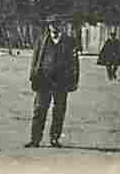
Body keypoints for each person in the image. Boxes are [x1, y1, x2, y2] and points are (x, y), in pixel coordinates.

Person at [25, 14, 80, 148]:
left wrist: (74, 80)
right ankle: (35, 139)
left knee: (59, 111)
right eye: (52, 24)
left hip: (61, 81)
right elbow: (35, 59)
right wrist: (33, 76)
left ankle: (54, 138)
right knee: (39, 110)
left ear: (61, 25)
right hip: (44, 80)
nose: (54, 27)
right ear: (48, 26)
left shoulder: (69, 41)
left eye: (57, 24)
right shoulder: (41, 40)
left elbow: (74, 63)